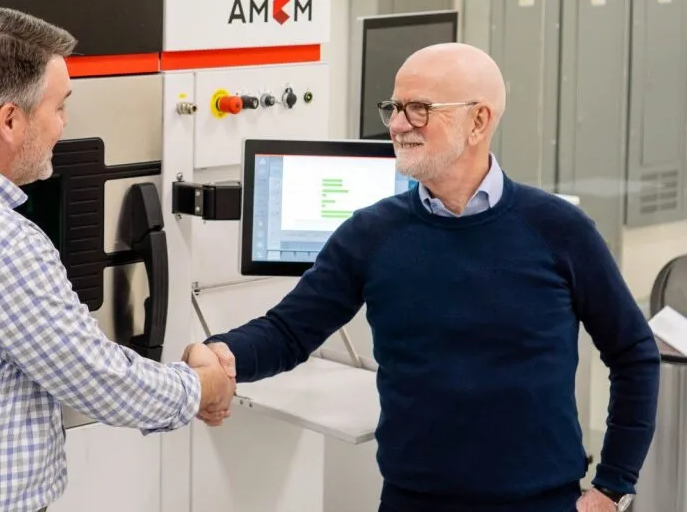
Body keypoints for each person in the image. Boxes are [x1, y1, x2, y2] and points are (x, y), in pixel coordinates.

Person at [202, 43, 660, 512]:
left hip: (541, 502)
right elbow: (288, 332)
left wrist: (612, 487)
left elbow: (633, 353)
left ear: (478, 121)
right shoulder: (371, 233)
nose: (398, 125)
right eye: (395, 107)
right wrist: (220, 356)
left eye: (419, 109)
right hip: (411, 502)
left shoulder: (559, 229)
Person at [0, 7, 235, 512]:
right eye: (58, 107)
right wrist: (202, 385)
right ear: (10, 120)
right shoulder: (0, 242)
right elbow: (101, 381)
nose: (63, 124)